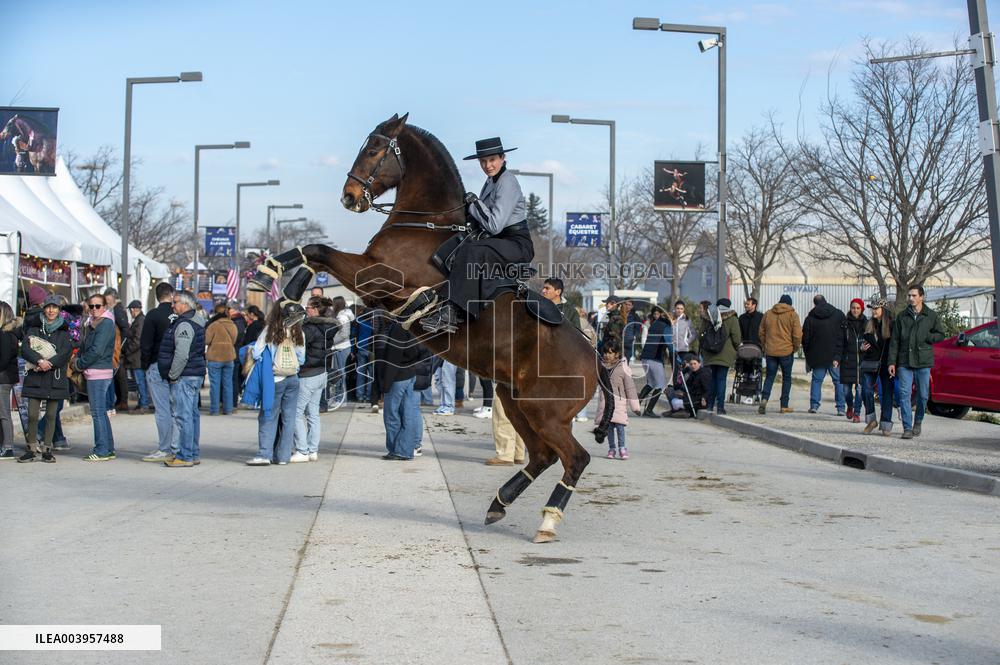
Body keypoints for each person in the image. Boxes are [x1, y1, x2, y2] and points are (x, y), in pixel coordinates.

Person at [419, 137, 533, 333]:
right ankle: (440, 300)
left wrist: (474, 203)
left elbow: (494, 225)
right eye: (483, 162)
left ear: (503, 158)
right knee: (456, 246)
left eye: (492, 160)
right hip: (499, 242)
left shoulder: (508, 182)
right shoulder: (490, 181)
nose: (488, 166)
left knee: (472, 251)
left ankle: (452, 312)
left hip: (517, 245)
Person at [245, 302, 305, 465]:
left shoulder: (270, 330)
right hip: (293, 378)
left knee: (268, 416)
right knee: (289, 418)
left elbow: (257, 352)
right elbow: (301, 358)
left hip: (275, 378)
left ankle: (264, 454)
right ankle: (284, 456)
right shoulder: (298, 332)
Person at [18, 295, 72, 463]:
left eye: (55, 307)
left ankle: (47, 449)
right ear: (44, 308)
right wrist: (39, 361)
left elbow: (66, 353)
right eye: (48, 307)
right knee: (33, 415)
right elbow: (25, 348)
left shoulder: (64, 331)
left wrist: (50, 363)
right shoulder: (34, 328)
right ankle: (31, 448)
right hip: (35, 376)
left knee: (51, 415)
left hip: (55, 378)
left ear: (59, 311)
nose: (51, 310)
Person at [888, 285, 945, 439]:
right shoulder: (902, 316)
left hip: (923, 361)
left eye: (914, 295)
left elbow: (941, 334)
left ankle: (918, 421)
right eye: (909, 296)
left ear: (922, 297)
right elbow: (895, 341)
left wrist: (928, 338)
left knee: (923, 395)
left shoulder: (931, 316)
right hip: (904, 360)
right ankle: (907, 427)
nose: (911, 298)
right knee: (904, 394)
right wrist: (892, 362)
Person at [157, 291, 206, 467]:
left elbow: (182, 354)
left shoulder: (185, 324)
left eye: (175, 302)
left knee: (184, 416)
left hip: (185, 375)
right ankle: (192, 453)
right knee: (191, 416)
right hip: (194, 372)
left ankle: (185, 456)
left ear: (185, 304)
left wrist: (173, 375)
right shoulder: (196, 320)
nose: (172, 305)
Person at [291, 296, 338, 463]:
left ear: (316, 310)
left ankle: (302, 450)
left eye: (309, 307)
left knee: (296, 413)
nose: (306, 309)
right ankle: (312, 450)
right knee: (313, 414)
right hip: (321, 372)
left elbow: (299, 348)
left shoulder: (309, 328)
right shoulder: (330, 326)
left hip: (308, 372)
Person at [377, 319, 431, 460]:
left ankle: (399, 450)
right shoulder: (415, 325)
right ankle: (405, 448)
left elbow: (393, 358)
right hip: (410, 372)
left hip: (399, 375)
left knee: (392, 415)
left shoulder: (399, 328)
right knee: (409, 413)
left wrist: (385, 385)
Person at [75, 293, 117, 461]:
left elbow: (96, 350)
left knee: (97, 412)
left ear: (104, 307)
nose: (94, 309)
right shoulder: (93, 323)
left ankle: (101, 450)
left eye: (98, 306)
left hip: (98, 372)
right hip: (96, 371)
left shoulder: (105, 324)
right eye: (91, 306)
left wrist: (79, 363)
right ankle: (107, 448)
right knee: (100, 412)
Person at [139, 282, 178, 462]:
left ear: (156, 296)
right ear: (171, 295)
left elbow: (145, 343)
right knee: (176, 409)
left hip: (156, 364)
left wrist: (145, 364)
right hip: (177, 365)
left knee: (162, 409)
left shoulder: (153, 315)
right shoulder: (178, 315)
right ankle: (176, 446)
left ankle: (164, 447)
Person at [694, 298, 742, 414]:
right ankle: (720, 407)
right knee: (721, 379)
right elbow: (736, 338)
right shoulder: (732, 318)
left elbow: (700, 335)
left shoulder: (708, 316)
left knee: (712, 379)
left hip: (710, 354)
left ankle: (710, 405)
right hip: (725, 354)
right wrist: (735, 349)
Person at [595, 337, 640, 459]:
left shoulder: (623, 368)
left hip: (619, 403)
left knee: (620, 428)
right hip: (605, 404)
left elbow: (630, 388)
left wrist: (635, 406)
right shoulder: (601, 367)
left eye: (610, 353)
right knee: (608, 428)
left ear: (617, 354)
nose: (607, 355)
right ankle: (612, 448)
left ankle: (622, 448)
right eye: (605, 353)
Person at [757, 295, 803, 415]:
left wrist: (765, 344)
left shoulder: (768, 314)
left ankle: (764, 399)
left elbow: (761, 332)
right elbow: (797, 335)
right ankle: (784, 405)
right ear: (790, 304)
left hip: (771, 351)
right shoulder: (793, 315)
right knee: (786, 378)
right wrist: (795, 348)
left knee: (769, 376)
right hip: (786, 351)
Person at [802, 295, 846, 415]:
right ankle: (841, 408)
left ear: (815, 304)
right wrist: (840, 354)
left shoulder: (810, 317)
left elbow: (805, 338)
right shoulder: (838, 314)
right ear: (826, 301)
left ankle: (814, 405)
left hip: (817, 355)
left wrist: (808, 354)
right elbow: (843, 335)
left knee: (817, 380)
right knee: (838, 381)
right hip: (834, 355)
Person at [861, 298, 895, 436]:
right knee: (865, 390)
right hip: (870, 362)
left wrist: (894, 363)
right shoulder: (869, 324)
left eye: (876, 308)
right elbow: (861, 341)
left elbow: (895, 346)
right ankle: (871, 419)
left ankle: (885, 424)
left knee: (887, 394)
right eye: (872, 308)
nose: (873, 311)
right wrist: (861, 347)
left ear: (884, 310)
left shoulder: (892, 326)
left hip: (886, 363)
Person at [205, 303, 238, 416]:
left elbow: (206, 340)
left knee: (215, 384)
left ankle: (214, 410)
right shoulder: (233, 325)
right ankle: (228, 409)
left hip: (215, 357)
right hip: (229, 357)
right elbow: (234, 341)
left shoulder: (213, 325)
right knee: (228, 384)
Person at [839, 298, 867, 423]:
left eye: (857, 308)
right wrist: (836, 358)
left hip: (861, 362)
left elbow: (871, 340)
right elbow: (839, 342)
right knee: (846, 390)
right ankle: (849, 405)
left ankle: (857, 413)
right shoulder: (844, 323)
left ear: (862, 309)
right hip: (847, 361)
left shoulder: (867, 324)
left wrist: (865, 347)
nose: (855, 310)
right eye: (853, 308)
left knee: (860, 389)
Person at [638, 306, 669, 417]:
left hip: (645, 357)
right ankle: (649, 410)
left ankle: (637, 404)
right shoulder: (666, 327)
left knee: (651, 383)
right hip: (655, 358)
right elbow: (669, 345)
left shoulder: (654, 324)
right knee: (660, 386)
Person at [103, 287, 130, 413]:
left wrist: (121, 346)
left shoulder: (118, 310)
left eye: (108, 299)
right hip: (116, 346)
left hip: (118, 347)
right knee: (117, 375)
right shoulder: (114, 309)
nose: (107, 302)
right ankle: (120, 400)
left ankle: (122, 401)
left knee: (120, 375)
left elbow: (125, 328)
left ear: (114, 298)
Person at [124, 300, 151, 414]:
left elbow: (137, 340)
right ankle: (142, 403)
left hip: (137, 357)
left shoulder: (140, 321)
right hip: (137, 357)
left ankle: (144, 404)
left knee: (140, 381)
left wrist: (127, 350)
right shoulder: (140, 320)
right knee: (140, 381)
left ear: (133, 310)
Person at [0, 302, 18, 460]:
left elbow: (4, 360)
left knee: (4, 413)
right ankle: (5, 444)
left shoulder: (5, 335)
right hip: (6, 377)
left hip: (3, 378)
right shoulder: (7, 333)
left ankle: (8, 447)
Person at [330, 296, 354, 404]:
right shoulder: (341, 315)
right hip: (340, 348)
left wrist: (330, 341)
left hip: (342, 348)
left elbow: (344, 334)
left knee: (340, 373)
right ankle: (339, 397)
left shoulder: (343, 317)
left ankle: (340, 399)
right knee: (338, 373)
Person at [669, 301, 695, 373]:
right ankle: (675, 384)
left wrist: (686, 342)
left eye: (681, 309)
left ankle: (683, 384)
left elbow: (693, 334)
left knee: (683, 370)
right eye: (678, 308)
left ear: (684, 309)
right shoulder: (671, 319)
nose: (679, 310)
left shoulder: (687, 320)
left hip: (683, 350)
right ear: (675, 309)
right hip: (673, 349)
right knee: (675, 371)